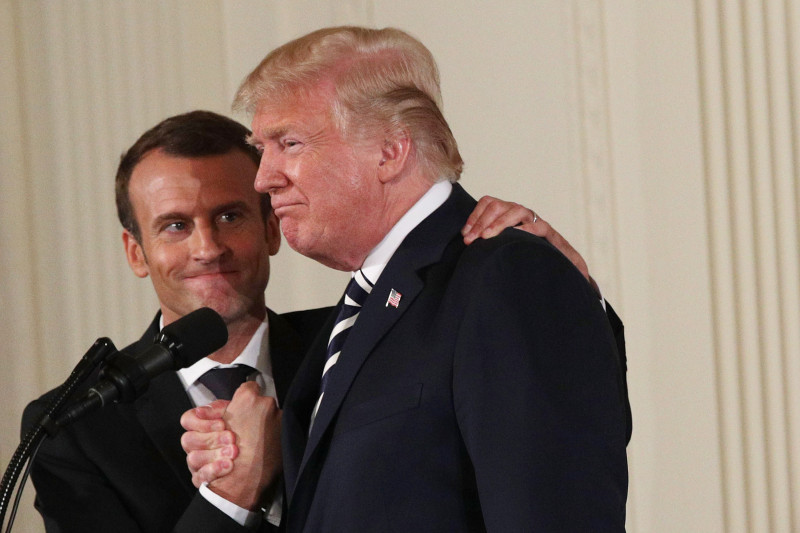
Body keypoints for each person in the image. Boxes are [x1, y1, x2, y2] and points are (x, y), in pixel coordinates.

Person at [20, 110, 579, 532]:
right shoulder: (75, 426)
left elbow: (549, 413)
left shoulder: (371, 336)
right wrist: (231, 496)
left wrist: (560, 282)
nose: (208, 247)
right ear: (136, 252)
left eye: (229, 215)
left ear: (271, 228)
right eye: (174, 226)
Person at [182, 27, 629, 532]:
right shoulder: (359, 313)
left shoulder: (507, 278)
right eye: (263, 148)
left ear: (391, 151)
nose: (263, 178)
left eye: (290, 143)